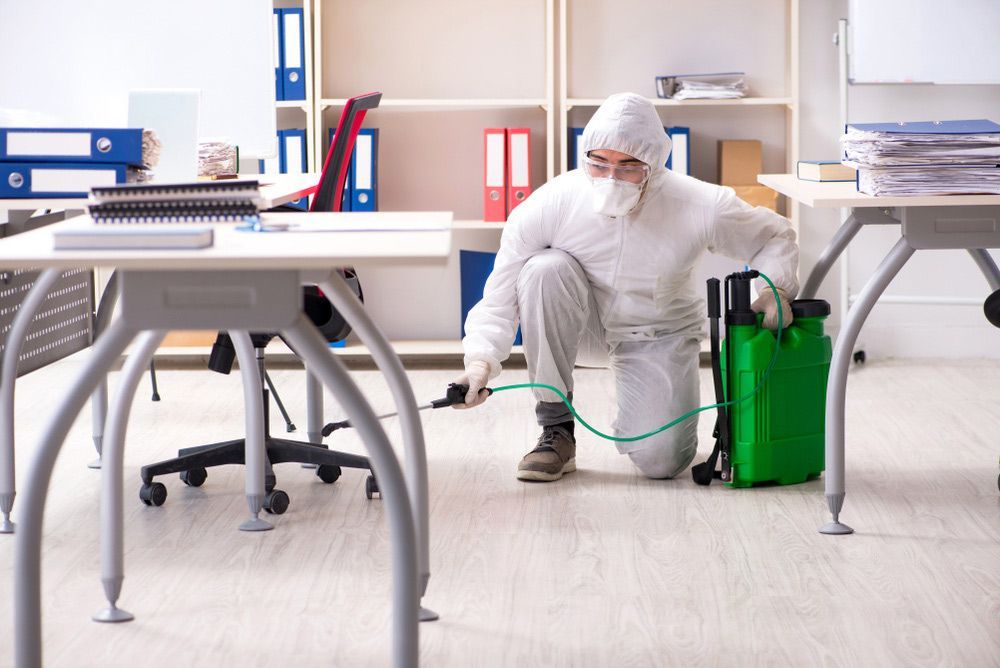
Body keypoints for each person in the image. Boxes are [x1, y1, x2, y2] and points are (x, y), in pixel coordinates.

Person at [455, 92, 799, 482]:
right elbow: (500, 291)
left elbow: (773, 236)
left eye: (629, 166)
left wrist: (776, 290)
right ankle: (556, 430)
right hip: (582, 326)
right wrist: (480, 363)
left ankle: (648, 425)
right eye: (599, 163)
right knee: (543, 270)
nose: (612, 178)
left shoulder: (698, 202)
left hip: (657, 332)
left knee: (662, 462)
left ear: (653, 164)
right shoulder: (552, 202)